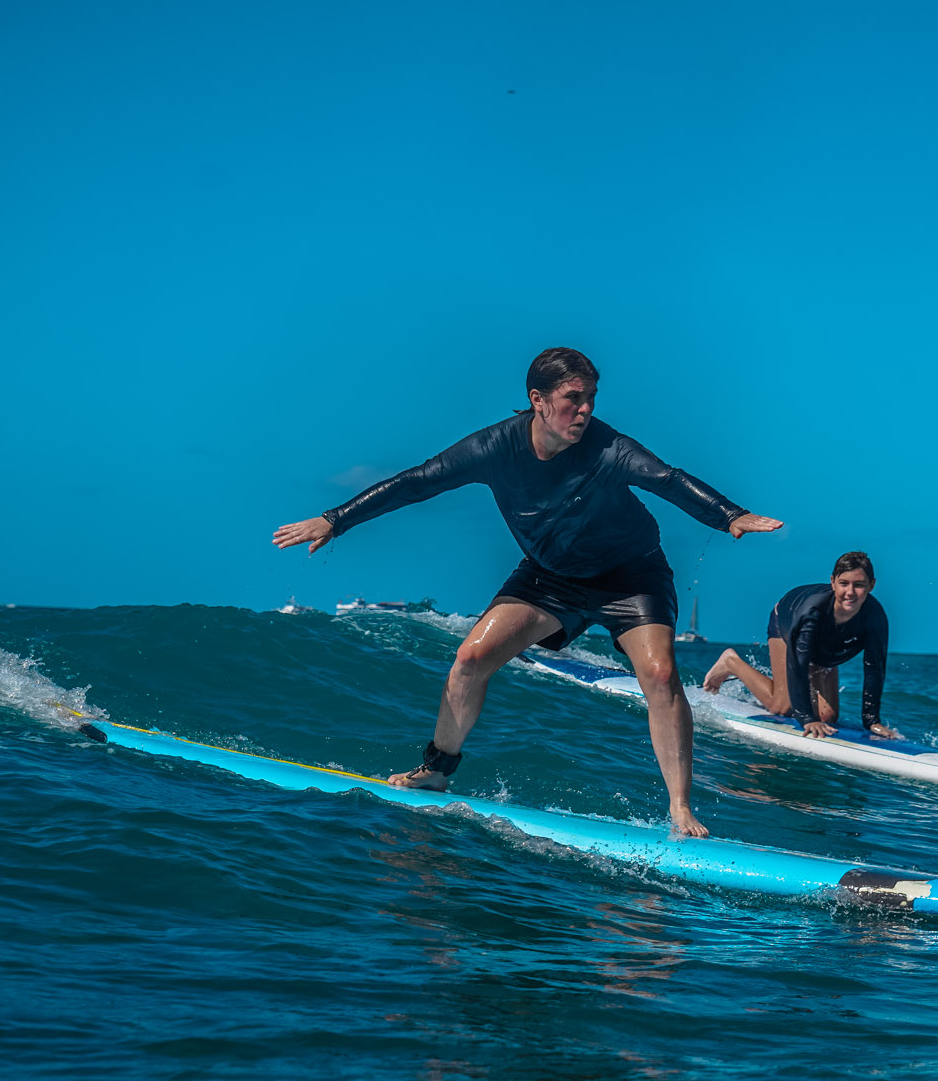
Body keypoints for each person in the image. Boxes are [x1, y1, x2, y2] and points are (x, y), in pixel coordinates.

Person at [271, 348, 782, 837]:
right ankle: (436, 769)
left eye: (591, 399)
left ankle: (679, 806)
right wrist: (335, 520)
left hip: (631, 575)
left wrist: (728, 515)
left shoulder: (609, 448)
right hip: (550, 576)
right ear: (538, 400)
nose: (584, 410)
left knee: (661, 673)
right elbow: (418, 481)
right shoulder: (494, 448)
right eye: (573, 399)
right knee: (470, 657)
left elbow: (667, 479)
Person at [699, 552, 898, 740]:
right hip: (786, 621)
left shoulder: (875, 618)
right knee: (782, 707)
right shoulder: (811, 613)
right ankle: (731, 662)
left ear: (872, 585)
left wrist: (872, 722)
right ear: (833, 582)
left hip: (824, 647)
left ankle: (789, 691)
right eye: (843, 583)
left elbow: (874, 669)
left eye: (859, 585)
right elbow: (798, 665)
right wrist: (807, 719)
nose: (850, 592)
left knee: (828, 717)